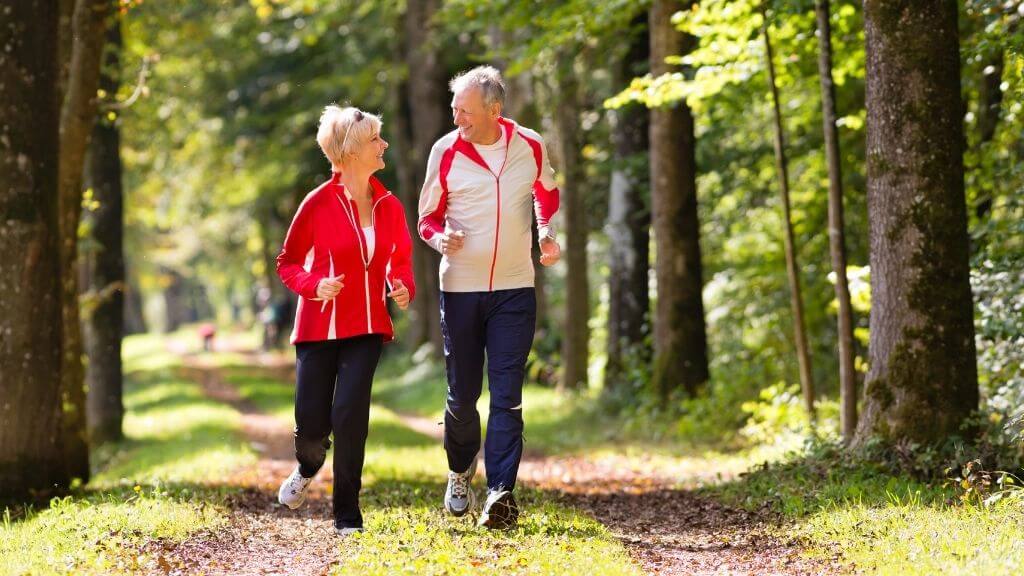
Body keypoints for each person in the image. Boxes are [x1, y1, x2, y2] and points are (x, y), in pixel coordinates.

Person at [417, 66, 561, 529]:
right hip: (460, 288)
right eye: (454, 107)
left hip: (515, 289)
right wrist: (441, 240)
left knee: (507, 395)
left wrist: (547, 232)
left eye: (464, 109)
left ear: (493, 111)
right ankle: (460, 471)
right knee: (462, 398)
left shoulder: (529, 145)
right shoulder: (445, 151)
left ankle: (500, 492)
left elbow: (547, 192)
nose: (456, 116)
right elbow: (426, 219)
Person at [275, 105, 415, 536]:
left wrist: (401, 285)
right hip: (318, 329)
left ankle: (347, 515)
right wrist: (314, 285)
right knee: (313, 430)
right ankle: (306, 466)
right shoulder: (317, 203)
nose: (383, 144)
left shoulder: (389, 205)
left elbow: (400, 260)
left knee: (351, 414)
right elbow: (288, 262)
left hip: (368, 325)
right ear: (352, 151)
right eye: (376, 139)